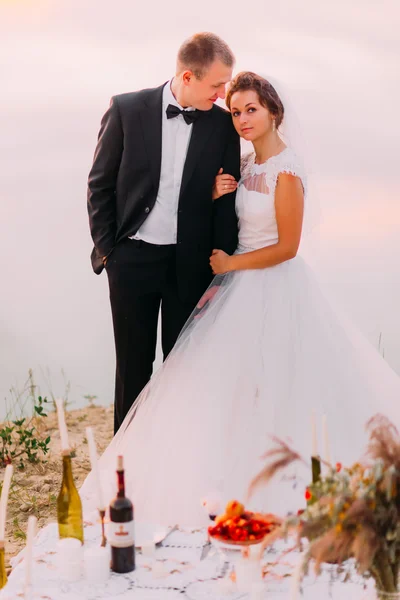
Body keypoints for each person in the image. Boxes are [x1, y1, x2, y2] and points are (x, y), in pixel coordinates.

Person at [81, 72, 400, 526]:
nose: (243, 119)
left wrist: (230, 265)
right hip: (233, 287)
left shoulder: (287, 170)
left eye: (252, 109)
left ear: (274, 111)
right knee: (214, 385)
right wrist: (214, 195)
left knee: (273, 385)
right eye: (235, 111)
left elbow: (288, 246)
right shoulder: (247, 164)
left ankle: (284, 481)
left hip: (272, 285)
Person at [87, 33, 240, 434]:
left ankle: (175, 459)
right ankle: (125, 464)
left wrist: (221, 268)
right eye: (216, 85)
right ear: (188, 76)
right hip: (131, 261)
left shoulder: (224, 126)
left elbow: (225, 204)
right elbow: (99, 186)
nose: (223, 94)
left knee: (183, 369)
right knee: (133, 369)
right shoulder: (126, 109)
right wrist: (109, 253)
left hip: (189, 264)